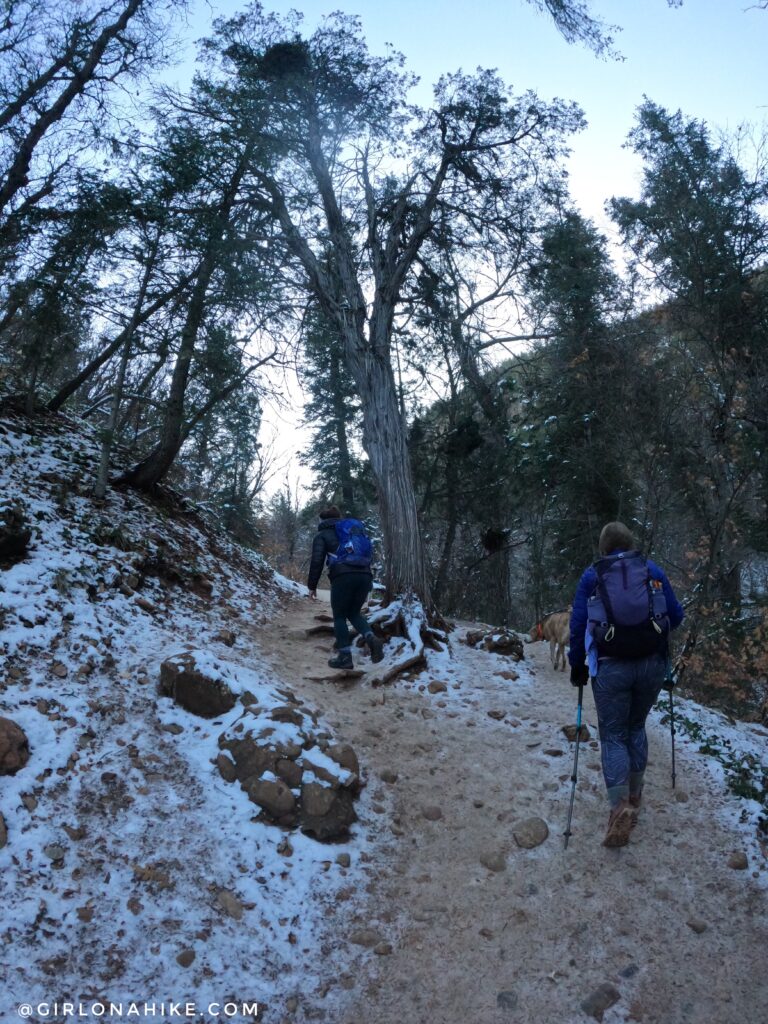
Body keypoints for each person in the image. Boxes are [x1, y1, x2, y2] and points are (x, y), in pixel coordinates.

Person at [568, 521, 684, 848]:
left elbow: (578, 627)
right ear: (631, 543)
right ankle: (635, 794)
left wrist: (577, 665)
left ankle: (619, 807)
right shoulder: (652, 569)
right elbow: (675, 616)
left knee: (614, 734)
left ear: (603, 548)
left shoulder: (593, 576)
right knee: (636, 726)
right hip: (651, 664)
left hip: (610, 667)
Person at [307, 505, 384, 670]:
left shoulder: (322, 535)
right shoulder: (351, 532)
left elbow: (316, 562)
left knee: (340, 616)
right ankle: (372, 639)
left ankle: (344, 657)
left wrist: (312, 586)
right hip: (364, 576)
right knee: (354, 612)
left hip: (343, 577)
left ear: (322, 520)